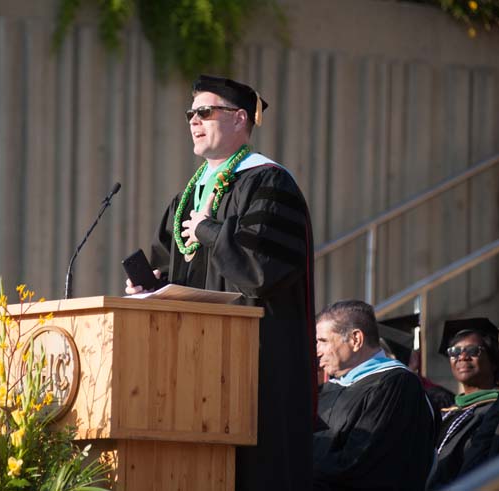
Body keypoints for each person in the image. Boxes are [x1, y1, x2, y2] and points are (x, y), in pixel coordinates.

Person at [125, 74, 316, 491]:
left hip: (253, 361)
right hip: (194, 362)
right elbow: (172, 266)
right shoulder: (187, 197)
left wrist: (212, 231)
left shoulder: (269, 182)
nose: (194, 120)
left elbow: (263, 270)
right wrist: (152, 287)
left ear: (239, 119)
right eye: (191, 113)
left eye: (206, 112)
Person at [313, 300, 435, 491]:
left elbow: (358, 462)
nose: (317, 351)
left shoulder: (396, 385)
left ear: (356, 339)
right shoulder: (330, 388)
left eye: (323, 341)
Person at [427, 318, 499, 490]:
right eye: (454, 351)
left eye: (473, 350)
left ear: (494, 361)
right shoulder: (446, 412)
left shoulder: (494, 409)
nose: (462, 357)